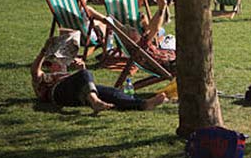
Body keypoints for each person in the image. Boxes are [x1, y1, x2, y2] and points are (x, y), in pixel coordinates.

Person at [31, 34, 168, 114]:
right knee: (85, 74)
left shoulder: (66, 76)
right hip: (58, 95)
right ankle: (95, 102)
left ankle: (143, 104)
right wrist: (45, 51)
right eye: (57, 62)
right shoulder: (43, 78)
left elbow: (79, 80)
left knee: (111, 93)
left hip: (75, 97)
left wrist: (80, 68)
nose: (61, 64)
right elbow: (35, 69)